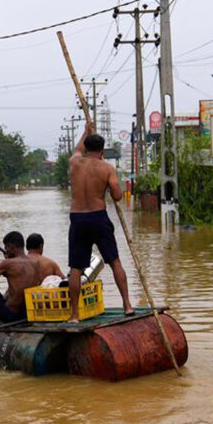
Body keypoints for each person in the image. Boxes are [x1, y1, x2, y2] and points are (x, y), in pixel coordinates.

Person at [67, 129, 134, 322]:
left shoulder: (74, 163)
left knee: (76, 268)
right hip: (98, 217)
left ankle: (74, 315)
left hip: (77, 218)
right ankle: (127, 305)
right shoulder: (106, 168)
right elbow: (117, 195)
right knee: (114, 261)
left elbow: (77, 149)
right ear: (102, 150)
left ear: (86, 147)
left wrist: (85, 131)